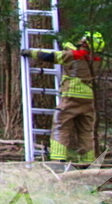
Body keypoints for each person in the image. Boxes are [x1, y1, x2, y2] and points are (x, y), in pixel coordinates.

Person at [21, 32, 104, 163]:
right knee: (86, 130)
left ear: (85, 42)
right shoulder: (97, 60)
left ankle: (58, 158)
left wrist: (29, 52)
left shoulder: (74, 55)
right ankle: (88, 160)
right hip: (89, 98)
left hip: (72, 95)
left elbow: (52, 56)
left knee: (61, 125)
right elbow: (81, 57)